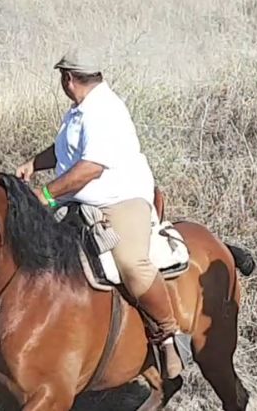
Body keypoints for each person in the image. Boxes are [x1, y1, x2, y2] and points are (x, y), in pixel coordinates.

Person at [14, 50, 188, 380]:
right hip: (80, 203)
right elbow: (65, 149)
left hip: (120, 201)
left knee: (130, 263)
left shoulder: (104, 111)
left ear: (67, 79)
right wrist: (34, 164)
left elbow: (90, 168)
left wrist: (46, 194)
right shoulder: (79, 110)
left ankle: (169, 336)